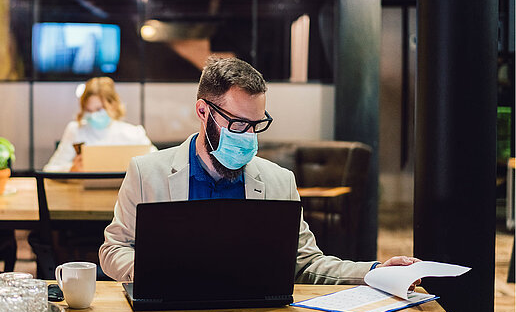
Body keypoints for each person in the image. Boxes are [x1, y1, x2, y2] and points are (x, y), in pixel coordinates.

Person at [99, 57, 421, 285]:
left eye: (257, 125)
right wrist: (162, 272)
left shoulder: (279, 181)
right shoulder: (147, 172)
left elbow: (307, 263)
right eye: (239, 124)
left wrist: (377, 271)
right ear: (203, 111)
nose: (249, 137)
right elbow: (114, 249)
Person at [44, 77, 154, 172]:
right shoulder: (76, 130)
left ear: (113, 105)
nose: (93, 115)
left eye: (99, 109)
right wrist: (71, 169)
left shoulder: (133, 133)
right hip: (83, 195)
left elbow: (157, 164)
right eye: (88, 110)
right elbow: (50, 169)